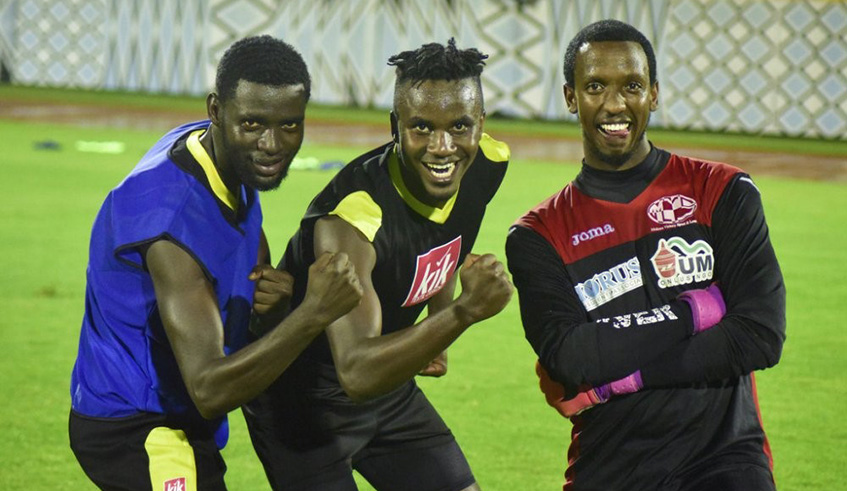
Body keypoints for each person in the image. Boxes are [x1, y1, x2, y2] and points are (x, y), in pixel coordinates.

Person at [68, 35, 363, 491]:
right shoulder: (170, 222)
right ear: (215, 110)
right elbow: (210, 389)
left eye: (290, 125)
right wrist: (312, 313)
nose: (271, 144)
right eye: (252, 124)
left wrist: (273, 299)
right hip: (139, 426)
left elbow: (234, 237)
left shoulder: (219, 155)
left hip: (177, 413)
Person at [505, 19, 786, 491]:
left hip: (726, 459)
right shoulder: (538, 234)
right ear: (571, 97)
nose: (615, 105)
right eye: (595, 86)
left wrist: (621, 379)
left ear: (653, 94)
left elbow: (759, 335)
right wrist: (698, 310)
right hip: (610, 464)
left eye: (631, 86)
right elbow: (570, 362)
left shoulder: (722, 191)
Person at [242, 38, 514, 491]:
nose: (442, 147)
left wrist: (437, 316)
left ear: (480, 124)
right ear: (396, 126)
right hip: (303, 403)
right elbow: (356, 371)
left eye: (459, 126)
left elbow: (448, 236)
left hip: (390, 392)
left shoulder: (488, 162)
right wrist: (461, 314)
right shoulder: (354, 219)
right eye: (422, 128)